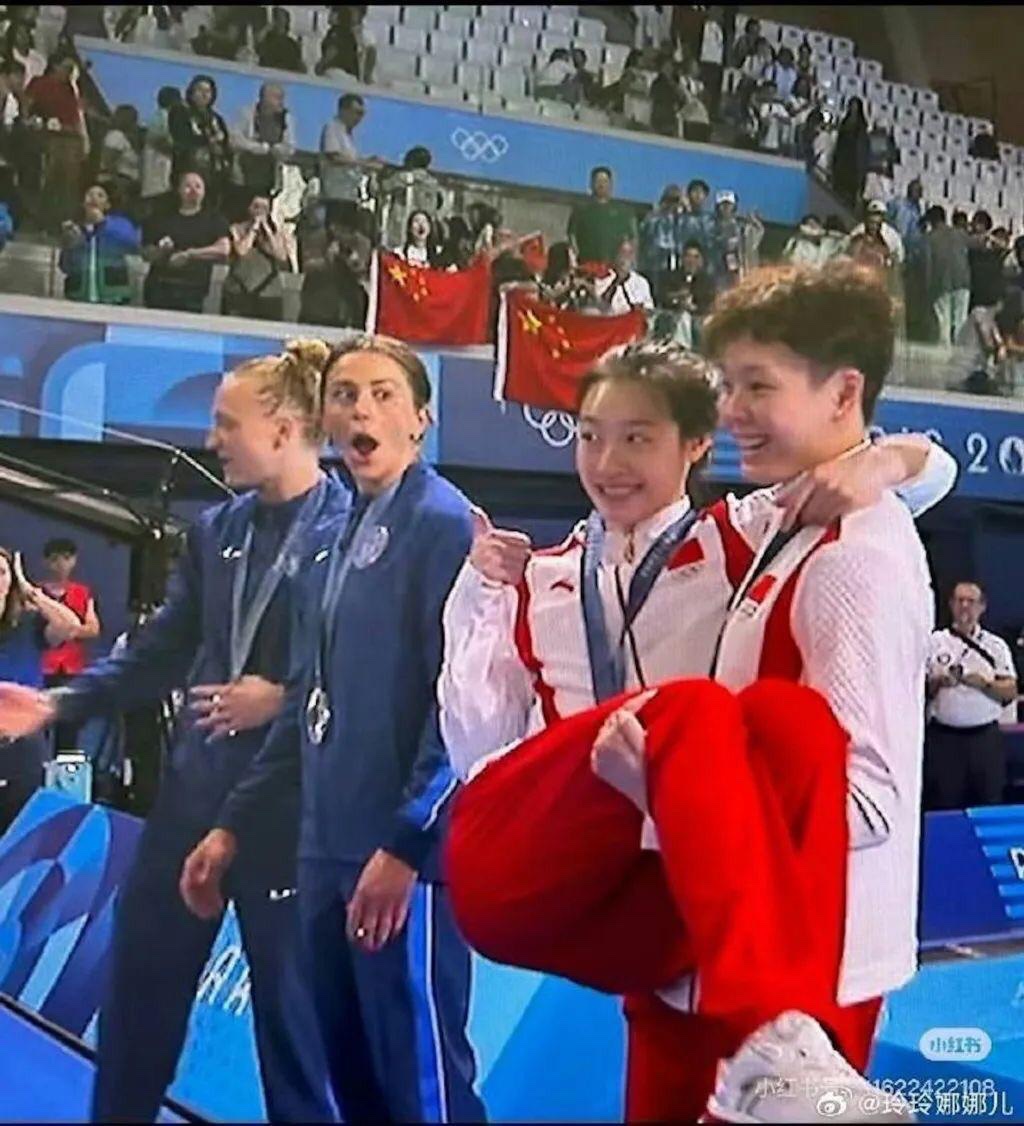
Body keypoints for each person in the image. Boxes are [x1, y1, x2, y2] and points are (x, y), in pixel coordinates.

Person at [438, 263, 953, 1122]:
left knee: (745, 719)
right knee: (718, 718)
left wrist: (894, 458)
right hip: (623, 879)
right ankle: (770, 1032)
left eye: (637, 437)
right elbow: (482, 729)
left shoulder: (762, 537)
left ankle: (775, 1037)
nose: (608, 462)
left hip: (737, 924)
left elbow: (867, 793)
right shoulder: (554, 572)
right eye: (589, 435)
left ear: (691, 449)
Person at [0, 343, 347, 1123]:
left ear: (287, 429)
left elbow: (360, 677)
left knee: (291, 1028)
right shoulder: (216, 531)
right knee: (138, 1002)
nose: (213, 439)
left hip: (286, 810)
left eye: (228, 424)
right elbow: (159, 653)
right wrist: (59, 707)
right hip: (192, 796)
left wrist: (281, 698)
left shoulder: (347, 534)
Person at [180, 334, 488, 1124]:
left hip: (396, 859)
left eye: (384, 394)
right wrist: (233, 826)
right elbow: (307, 699)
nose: (362, 409)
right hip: (321, 851)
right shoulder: (333, 535)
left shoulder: (445, 525)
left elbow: (459, 709)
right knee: (351, 1080)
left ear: (421, 418)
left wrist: (407, 845)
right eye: (346, 394)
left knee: (422, 1081)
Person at [0, 546, 81, 830]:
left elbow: (70, 626)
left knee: (19, 832)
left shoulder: (27, 624)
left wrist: (30, 591)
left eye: (1, 573)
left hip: (22, 745)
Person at [926, 582, 1018, 810]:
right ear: (951, 605)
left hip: (984, 740)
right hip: (945, 739)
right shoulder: (934, 643)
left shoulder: (996, 646)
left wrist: (984, 684)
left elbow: (1010, 691)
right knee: (945, 805)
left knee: (989, 802)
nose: (965, 606)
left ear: (982, 607)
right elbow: (918, 691)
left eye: (971, 601)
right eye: (960, 600)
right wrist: (939, 682)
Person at [39, 537, 101, 751]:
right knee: (38, 728)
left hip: (72, 669)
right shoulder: (36, 593)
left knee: (69, 732)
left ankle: (65, 780)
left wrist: (65, 629)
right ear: (46, 562)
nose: (61, 564)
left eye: (66, 558)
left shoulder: (83, 592)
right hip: (43, 669)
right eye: (55, 559)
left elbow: (93, 629)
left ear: (74, 561)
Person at [142, 169, 229, 314]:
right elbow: (145, 252)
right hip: (159, 287)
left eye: (198, 186)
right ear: (179, 190)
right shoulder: (162, 217)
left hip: (193, 291)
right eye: (188, 186)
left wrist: (190, 254)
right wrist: (161, 252)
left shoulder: (214, 219)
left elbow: (223, 249)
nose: (193, 190)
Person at [25, 53, 89, 232]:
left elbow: (77, 118)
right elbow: (27, 107)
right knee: (48, 182)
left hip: (71, 142)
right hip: (50, 138)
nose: (69, 73)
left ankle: (60, 222)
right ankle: (40, 221)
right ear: (55, 66)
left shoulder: (72, 89)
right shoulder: (40, 83)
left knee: (67, 187)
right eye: (66, 68)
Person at [59, 183, 141, 305]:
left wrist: (102, 223)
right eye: (89, 195)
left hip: (113, 297)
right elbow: (65, 267)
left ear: (107, 205)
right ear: (83, 203)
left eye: (100, 195)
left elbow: (132, 244)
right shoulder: (76, 230)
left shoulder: (120, 224)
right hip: (78, 298)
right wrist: (69, 245)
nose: (94, 198)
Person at [221, 192, 290, 321]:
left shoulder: (275, 233)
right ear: (249, 208)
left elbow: (281, 256)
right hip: (239, 290)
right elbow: (242, 251)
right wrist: (253, 229)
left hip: (268, 293)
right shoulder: (236, 229)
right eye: (256, 207)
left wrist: (267, 231)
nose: (260, 211)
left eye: (264, 208)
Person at [169, 74, 232, 211]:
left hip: (214, 175)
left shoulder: (216, 118)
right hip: (188, 169)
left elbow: (226, 144)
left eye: (208, 91)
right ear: (191, 92)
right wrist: (209, 140)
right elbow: (182, 138)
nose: (204, 95)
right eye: (199, 90)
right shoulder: (181, 112)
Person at [319, 93, 376, 238]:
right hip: (335, 194)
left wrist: (367, 161)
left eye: (362, 114)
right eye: (356, 112)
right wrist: (364, 163)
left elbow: (350, 159)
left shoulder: (348, 135)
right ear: (343, 110)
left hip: (348, 195)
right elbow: (334, 155)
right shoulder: (332, 128)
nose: (359, 118)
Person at [232, 82, 296, 202]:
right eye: (277, 98)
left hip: (270, 175)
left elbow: (290, 147)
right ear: (264, 98)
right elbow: (235, 140)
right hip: (245, 173)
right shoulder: (246, 113)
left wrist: (278, 149)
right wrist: (256, 147)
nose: (281, 102)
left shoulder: (286, 119)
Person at [568, 166, 638, 271]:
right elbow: (572, 235)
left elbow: (632, 239)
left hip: (613, 268)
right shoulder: (581, 209)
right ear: (591, 184)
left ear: (611, 184)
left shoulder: (622, 212)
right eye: (598, 181)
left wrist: (628, 261)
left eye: (605, 181)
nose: (601, 185)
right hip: (587, 266)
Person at [923, 204, 971, 347]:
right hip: (962, 281)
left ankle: (944, 352)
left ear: (931, 221)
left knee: (943, 320)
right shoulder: (959, 233)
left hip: (941, 282)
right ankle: (959, 350)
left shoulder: (930, 238)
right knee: (960, 319)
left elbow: (928, 263)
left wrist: (927, 285)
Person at [639, 184, 686, 299]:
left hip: (674, 264)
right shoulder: (653, 216)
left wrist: (684, 208)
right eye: (669, 199)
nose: (672, 204)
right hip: (654, 264)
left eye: (676, 200)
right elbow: (643, 233)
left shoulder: (681, 219)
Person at [140, 86, 180, 215]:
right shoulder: (162, 117)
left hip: (161, 168)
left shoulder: (162, 116)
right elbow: (160, 140)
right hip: (157, 166)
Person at [595, 239, 655, 314]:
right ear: (616, 255)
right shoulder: (603, 279)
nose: (626, 258)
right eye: (623, 253)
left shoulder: (641, 283)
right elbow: (598, 307)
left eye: (630, 253)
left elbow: (649, 311)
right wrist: (617, 281)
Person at [831, 97, 870, 210]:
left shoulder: (862, 129)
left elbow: (862, 151)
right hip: (841, 163)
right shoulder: (844, 124)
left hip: (854, 165)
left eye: (855, 107)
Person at [99, 104, 141, 204]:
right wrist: (117, 182)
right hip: (118, 185)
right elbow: (108, 161)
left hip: (127, 185)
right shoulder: (115, 136)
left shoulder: (126, 138)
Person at [256, 6, 304, 73]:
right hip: (268, 72)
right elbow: (257, 48)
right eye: (277, 18)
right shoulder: (267, 38)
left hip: (287, 75)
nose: (279, 21)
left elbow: (299, 65)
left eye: (281, 18)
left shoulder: (292, 43)